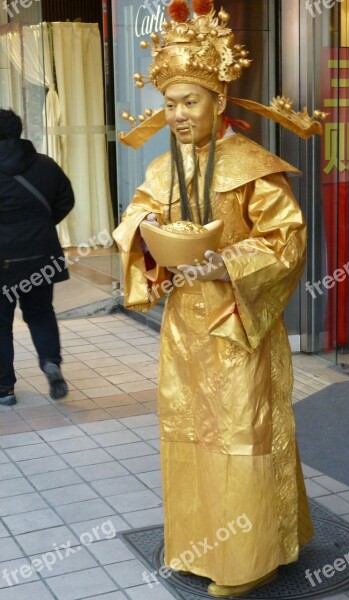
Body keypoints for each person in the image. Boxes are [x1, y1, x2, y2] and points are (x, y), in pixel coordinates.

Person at [114, 0, 318, 596]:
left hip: (236, 324)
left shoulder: (252, 166)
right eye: (170, 103)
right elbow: (137, 220)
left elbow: (286, 239)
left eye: (190, 101)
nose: (177, 115)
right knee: (188, 432)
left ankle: (248, 560)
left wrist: (227, 264)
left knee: (242, 435)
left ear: (219, 100)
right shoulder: (162, 166)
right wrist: (147, 244)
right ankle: (197, 545)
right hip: (183, 326)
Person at [0, 109, 74, 406]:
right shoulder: (45, 164)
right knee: (41, 313)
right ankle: (50, 363)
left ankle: (5, 389)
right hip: (41, 256)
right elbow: (66, 200)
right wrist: (41, 228)